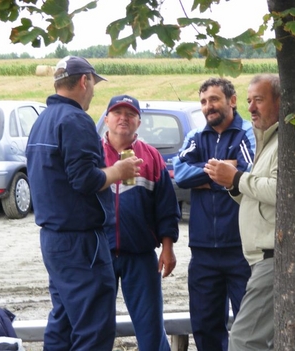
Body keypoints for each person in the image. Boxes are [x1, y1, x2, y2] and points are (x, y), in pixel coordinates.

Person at [26, 56, 143, 351]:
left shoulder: (42, 120)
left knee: (63, 321)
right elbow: (84, 179)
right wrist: (119, 171)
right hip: (81, 243)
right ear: (83, 81)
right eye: (93, 84)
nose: (93, 92)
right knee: (93, 327)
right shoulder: (76, 119)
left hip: (53, 240)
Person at [172, 77, 255, 351]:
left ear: (232, 101)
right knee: (205, 327)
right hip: (203, 250)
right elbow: (180, 173)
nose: (209, 107)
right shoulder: (196, 137)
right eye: (204, 102)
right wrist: (220, 173)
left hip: (240, 250)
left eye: (215, 100)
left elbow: (250, 172)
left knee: (248, 327)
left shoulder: (246, 134)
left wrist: (227, 174)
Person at [204, 74, 280, 350]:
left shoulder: (284, 142)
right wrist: (233, 186)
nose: (251, 108)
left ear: (281, 101)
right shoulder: (266, 141)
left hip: (271, 259)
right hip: (259, 260)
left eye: (258, 100)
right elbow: (259, 198)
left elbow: (279, 192)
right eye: (249, 101)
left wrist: (237, 179)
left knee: (244, 341)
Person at [101, 94, 180, 351]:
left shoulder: (152, 157)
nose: (123, 118)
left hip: (141, 255)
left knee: (151, 328)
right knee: (96, 325)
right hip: (99, 254)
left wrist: (167, 247)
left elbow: (166, 207)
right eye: (117, 113)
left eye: (130, 114)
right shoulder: (92, 154)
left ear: (139, 122)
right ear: (107, 119)